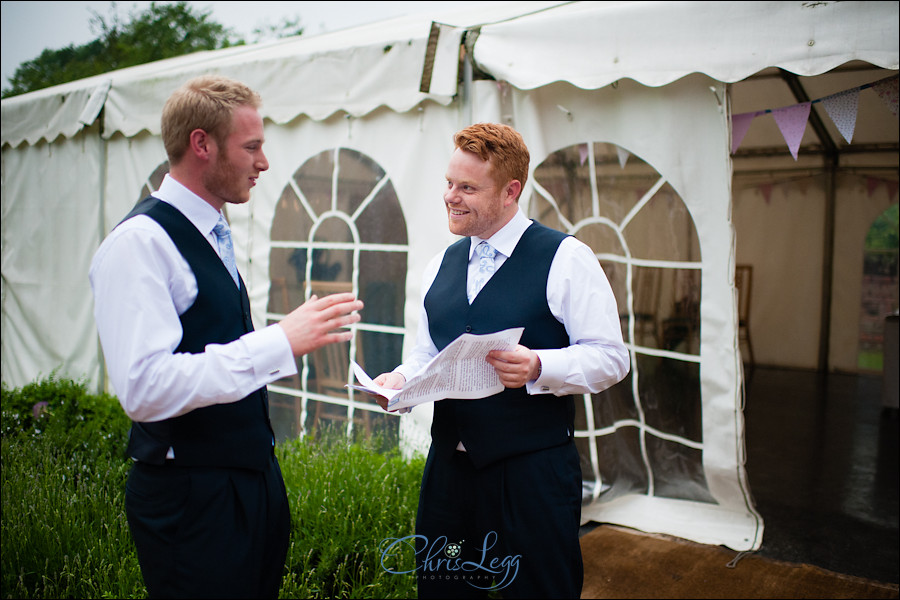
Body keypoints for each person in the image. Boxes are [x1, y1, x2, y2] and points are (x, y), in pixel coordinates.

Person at [89, 75, 364, 599]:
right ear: (202, 144)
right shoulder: (139, 244)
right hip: (192, 501)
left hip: (248, 485)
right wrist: (279, 342)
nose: (263, 163)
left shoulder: (213, 229)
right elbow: (144, 388)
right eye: (252, 147)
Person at [373, 123, 629, 598]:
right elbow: (428, 351)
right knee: (443, 587)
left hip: (531, 476)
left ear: (511, 191)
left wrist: (539, 367)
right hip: (449, 473)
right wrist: (400, 382)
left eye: (468, 188)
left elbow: (612, 358)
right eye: (450, 183)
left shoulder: (566, 258)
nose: (451, 196)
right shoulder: (439, 264)